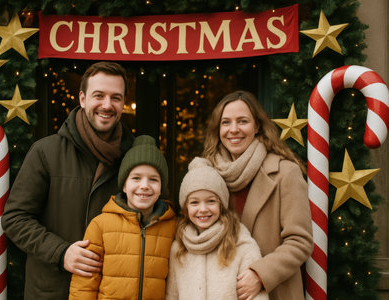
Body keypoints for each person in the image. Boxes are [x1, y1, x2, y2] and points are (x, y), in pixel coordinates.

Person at [1, 61, 135, 299]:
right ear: (82, 99)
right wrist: (61, 253)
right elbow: (15, 218)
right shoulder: (46, 152)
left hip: (110, 292)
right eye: (99, 95)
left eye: (116, 97)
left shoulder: (133, 157)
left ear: (124, 102)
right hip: (53, 291)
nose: (107, 105)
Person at [201, 90, 313, 300]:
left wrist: (260, 274)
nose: (233, 130)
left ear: (257, 126)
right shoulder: (208, 174)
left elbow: (300, 241)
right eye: (226, 122)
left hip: (273, 291)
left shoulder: (285, 172)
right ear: (218, 129)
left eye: (242, 121)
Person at [69, 135, 176, 299]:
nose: (144, 186)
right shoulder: (100, 225)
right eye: (136, 178)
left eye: (153, 179)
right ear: (124, 185)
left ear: (161, 187)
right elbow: (84, 286)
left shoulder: (173, 226)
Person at [165, 157, 268, 300]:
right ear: (185, 208)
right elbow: (172, 295)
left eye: (211, 201)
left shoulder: (242, 245)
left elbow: (255, 297)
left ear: (221, 204)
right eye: (194, 202)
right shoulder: (178, 248)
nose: (203, 209)